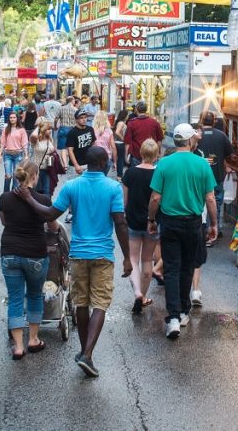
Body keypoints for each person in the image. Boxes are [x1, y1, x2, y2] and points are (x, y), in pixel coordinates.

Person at [16, 146, 132, 377]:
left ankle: (83, 351)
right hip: (102, 255)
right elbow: (119, 222)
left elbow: (49, 214)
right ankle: (87, 355)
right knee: (100, 304)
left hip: (78, 254)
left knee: (81, 303)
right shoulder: (113, 188)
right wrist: (128, 257)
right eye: (107, 160)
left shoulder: (72, 186)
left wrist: (28, 198)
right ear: (102, 162)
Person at [146, 124, 218, 339]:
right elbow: (211, 198)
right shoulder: (202, 164)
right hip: (194, 223)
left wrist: (151, 219)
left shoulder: (164, 164)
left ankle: (174, 317)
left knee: (171, 269)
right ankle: (184, 311)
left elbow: (155, 198)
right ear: (189, 141)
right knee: (188, 267)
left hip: (169, 222)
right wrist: (214, 224)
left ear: (175, 141)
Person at [0, 161, 57, 359]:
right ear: (34, 176)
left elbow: (4, 221)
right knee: (34, 295)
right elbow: (54, 227)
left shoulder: (5, 198)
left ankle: (18, 346)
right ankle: (33, 339)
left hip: (10, 252)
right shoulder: (44, 199)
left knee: (15, 298)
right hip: (35, 254)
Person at [121, 138, 160, 314]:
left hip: (133, 221)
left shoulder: (129, 173)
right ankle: (143, 295)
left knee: (134, 259)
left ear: (141, 153)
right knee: (147, 259)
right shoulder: (159, 174)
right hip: (152, 222)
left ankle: (136, 292)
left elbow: (125, 201)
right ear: (156, 154)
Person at [196, 111, 234, 248]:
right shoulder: (222, 136)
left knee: (199, 205)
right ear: (214, 121)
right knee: (215, 204)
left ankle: (201, 232)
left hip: (198, 178)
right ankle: (212, 232)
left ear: (201, 120)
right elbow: (230, 154)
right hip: (216, 176)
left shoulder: (196, 136)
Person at [123, 101, 163, 168]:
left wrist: (126, 155)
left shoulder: (131, 123)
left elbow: (128, 142)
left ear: (137, 109)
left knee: (137, 176)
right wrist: (158, 152)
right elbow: (159, 140)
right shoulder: (154, 123)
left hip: (136, 155)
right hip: (151, 155)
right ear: (146, 109)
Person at [0, 111, 29, 193]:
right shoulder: (6, 129)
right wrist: (0, 154)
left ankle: (13, 194)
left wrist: (26, 155)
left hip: (18, 155)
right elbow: (2, 142)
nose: (12, 119)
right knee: (8, 176)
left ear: (17, 119)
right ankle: (5, 194)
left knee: (16, 176)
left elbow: (24, 143)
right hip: (7, 154)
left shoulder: (21, 130)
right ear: (9, 119)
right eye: (11, 118)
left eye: (14, 117)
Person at [66, 109, 96, 176]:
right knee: (74, 186)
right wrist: (76, 165)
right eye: (81, 118)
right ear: (76, 120)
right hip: (75, 166)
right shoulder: (72, 132)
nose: (84, 119)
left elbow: (93, 145)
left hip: (88, 164)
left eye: (85, 117)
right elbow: (70, 150)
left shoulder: (90, 129)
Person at [30, 119, 56, 196]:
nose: (50, 131)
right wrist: (39, 126)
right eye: (48, 129)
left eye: (50, 129)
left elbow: (52, 151)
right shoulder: (36, 140)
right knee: (36, 191)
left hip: (48, 169)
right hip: (37, 170)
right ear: (43, 129)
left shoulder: (50, 139)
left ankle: (46, 207)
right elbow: (33, 135)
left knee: (47, 191)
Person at [56, 96, 78, 169]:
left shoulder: (61, 108)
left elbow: (56, 118)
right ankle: (73, 163)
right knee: (71, 147)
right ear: (71, 100)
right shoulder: (75, 109)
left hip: (63, 129)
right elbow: (78, 120)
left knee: (63, 148)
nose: (75, 101)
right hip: (72, 129)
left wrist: (54, 126)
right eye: (74, 100)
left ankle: (65, 165)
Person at [113, 110, 129, 179]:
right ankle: (119, 175)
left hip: (118, 143)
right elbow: (117, 132)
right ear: (124, 116)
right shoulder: (121, 123)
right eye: (127, 115)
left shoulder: (119, 122)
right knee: (121, 160)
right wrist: (123, 139)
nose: (128, 116)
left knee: (119, 159)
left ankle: (119, 175)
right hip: (120, 143)